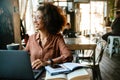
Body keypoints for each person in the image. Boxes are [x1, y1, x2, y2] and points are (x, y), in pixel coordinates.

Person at [24, 3, 73, 70]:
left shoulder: (57, 38)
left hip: (51, 76)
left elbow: (68, 56)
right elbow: (23, 56)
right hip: (34, 75)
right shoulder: (32, 38)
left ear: (47, 20)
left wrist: (48, 62)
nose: (34, 21)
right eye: (34, 17)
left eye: (38, 18)